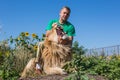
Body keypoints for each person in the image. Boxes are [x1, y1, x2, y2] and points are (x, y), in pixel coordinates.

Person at [35, 6, 75, 71]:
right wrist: (53, 28)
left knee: (69, 51)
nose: (65, 15)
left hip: (63, 46)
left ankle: (66, 66)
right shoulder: (52, 22)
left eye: (67, 14)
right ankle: (38, 66)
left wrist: (64, 36)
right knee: (40, 44)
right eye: (64, 13)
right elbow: (47, 35)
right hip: (52, 43)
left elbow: (70, 40)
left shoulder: (70, 26)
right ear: (60, 13)